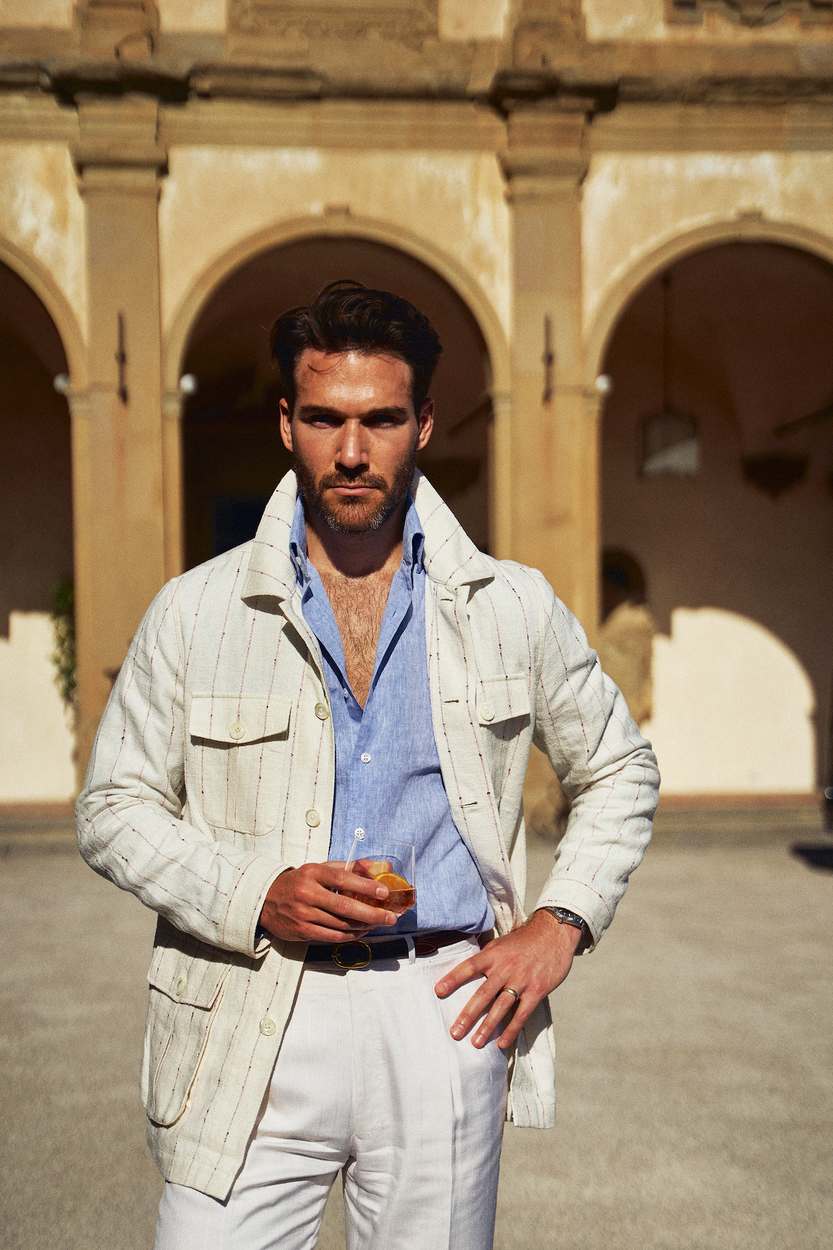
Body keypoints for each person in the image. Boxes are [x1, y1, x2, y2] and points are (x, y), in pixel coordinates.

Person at [77, 280, 659, 1250]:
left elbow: (619, 766)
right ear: (286, 421)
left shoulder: (509, 604)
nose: (352, 451)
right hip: (247, 1002)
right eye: (326, 418)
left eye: (381, 419)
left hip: (440, 1009)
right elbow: (111, 805)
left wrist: (561, 922)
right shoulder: (195, 608)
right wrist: (254, 889)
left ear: (424, 421)